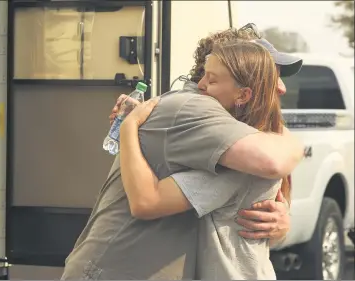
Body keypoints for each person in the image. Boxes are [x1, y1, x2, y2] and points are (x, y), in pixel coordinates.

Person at [61, 26, 303, 280]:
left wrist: (280, 224)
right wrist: (129, 127)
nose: (282, 88)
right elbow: (273, 161)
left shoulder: (233, 134)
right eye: (271, 74)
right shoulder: (193, 109)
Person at [119, 39, 297, 279]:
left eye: (212, 79)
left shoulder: (238, 164)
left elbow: (146, 202)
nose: (199, 85)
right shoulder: (258, 144)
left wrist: (129, 127)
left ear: (244, 94)